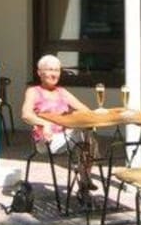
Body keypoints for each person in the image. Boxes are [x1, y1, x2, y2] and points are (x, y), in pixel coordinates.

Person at [21, 54, 97, 190]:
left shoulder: (62, 92)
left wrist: (95, 114)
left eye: (57, 70)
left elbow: (84, 110)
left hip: (66, 137)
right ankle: (85, 179)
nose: (54, 74)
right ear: (40, 72)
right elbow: (26, 115)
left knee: (89, 137)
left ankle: (84, 178)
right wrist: (44, 124)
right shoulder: (33, 91)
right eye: (50, 70)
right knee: (86, 139)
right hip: (46, 141)